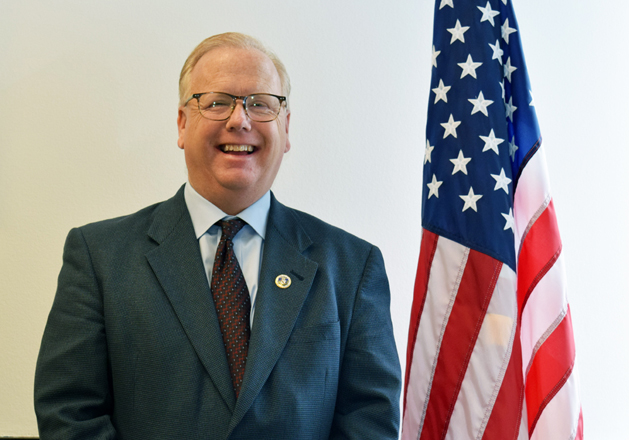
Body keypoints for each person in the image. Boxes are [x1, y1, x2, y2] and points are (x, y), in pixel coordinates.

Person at [34, 32, 401, 439]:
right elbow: (69, 414)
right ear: (181, 123)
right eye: (217, 102)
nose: (239, 120)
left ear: (286, 128)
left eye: (260, 104)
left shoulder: (353, 265)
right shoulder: (99, 257)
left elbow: (370, 422)